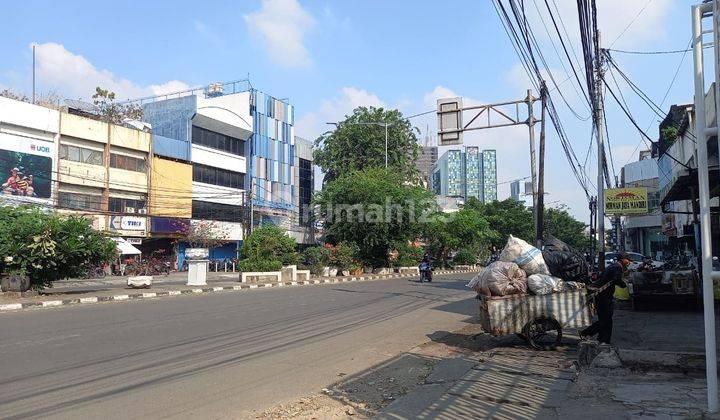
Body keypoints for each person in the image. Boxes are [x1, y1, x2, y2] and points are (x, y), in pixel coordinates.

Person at [580, 252, 630, 344]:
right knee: (605, 319)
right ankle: (586, 333)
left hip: (604, 295)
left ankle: (604, 339)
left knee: (607, 319)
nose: (629, 262)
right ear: (623, 260)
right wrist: (623, 285)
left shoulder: (613, 266)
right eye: (628, 260)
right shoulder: (617, 267)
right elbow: (616, 279)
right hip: (603, 296)